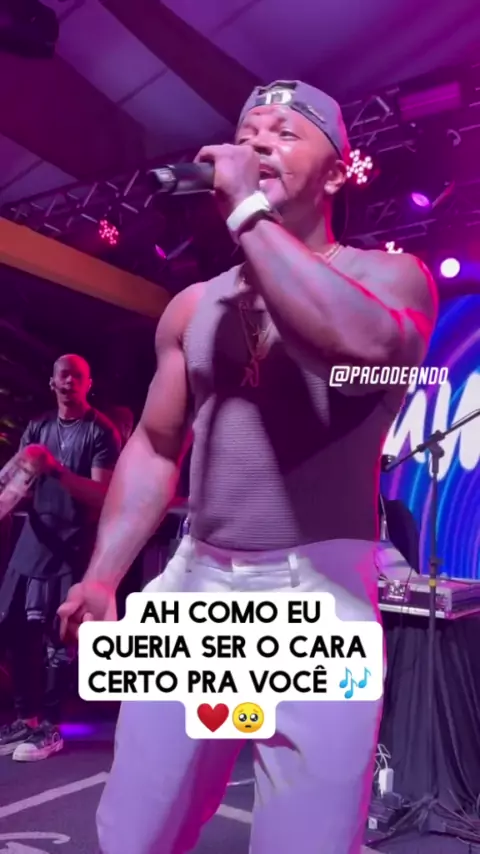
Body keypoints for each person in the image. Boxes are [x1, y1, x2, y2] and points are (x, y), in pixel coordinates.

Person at [59, 81, 438, 854]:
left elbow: (359, 347)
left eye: (285, 132)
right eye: (247, 130)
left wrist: (247, 214)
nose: (259, 141)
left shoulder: (390, 279)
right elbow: (156, 446)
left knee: (307, 843)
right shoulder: (193, 305)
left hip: (321, 590)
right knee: (135, 833)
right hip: (197, 581)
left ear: (337, 173)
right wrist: (103, 575)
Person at [0, 354, 120, 761]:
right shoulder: (38, 427)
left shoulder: (101, 431)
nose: (69, 382)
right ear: (52, 383)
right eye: (63, 376)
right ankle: (26, 720)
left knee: (59, 638)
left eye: (77, 376)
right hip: (34, 540)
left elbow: (102, 497)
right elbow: (17, 485)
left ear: (88, 384)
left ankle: (50, 728)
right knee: (15, 630)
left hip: (74, 542)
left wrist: (53, 469)